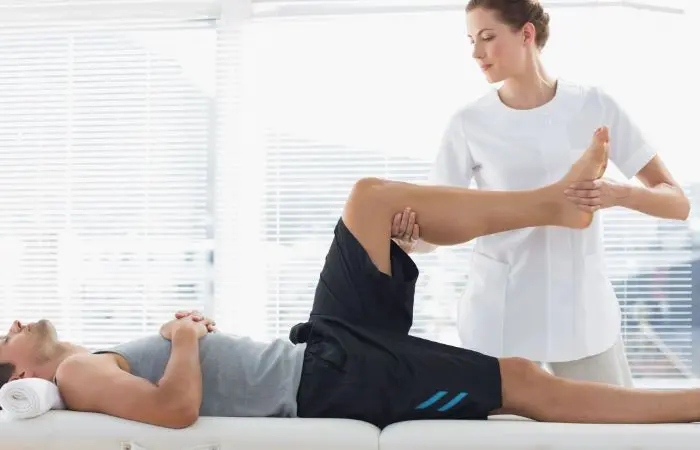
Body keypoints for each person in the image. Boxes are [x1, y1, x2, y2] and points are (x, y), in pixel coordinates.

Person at [2, 129, 699, 430]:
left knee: (369, 200)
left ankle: (554, 204)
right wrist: (184, 338)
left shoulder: (85, 360)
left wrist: (191, 339)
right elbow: (173, 412)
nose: (15, 324)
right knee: (523, 381)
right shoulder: (72, 377)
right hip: (331, 382)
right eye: (5, 337)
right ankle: (689, 407)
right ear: (14, 373)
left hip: (320, 348)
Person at [394, 0, 690, 387]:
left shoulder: (593, 104)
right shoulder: (469, 123)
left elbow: (677, 201)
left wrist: (617, 195)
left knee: (616, 434)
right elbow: (442, 224)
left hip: (583, 313)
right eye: (471, 40)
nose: (476, 53)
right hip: (501, 318)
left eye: (487, 37)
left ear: (526, 34)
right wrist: (410, 239)